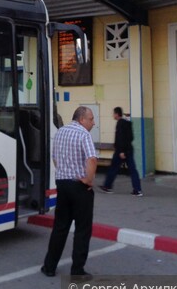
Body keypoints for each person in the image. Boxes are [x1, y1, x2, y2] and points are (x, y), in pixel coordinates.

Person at [41, 106, 97, 278]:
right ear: (81, 119)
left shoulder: (60, 132)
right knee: (82, 229)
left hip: (63, 185)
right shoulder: (83, 134)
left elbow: (55, 158)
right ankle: (77, 270)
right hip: (79, 186)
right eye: (91, 119)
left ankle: (49, 267)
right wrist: (88, 180)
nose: (93, 123)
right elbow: (92, 159)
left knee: (60, 227)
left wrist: (64, 172)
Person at [100, 107, 142, 196]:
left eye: (113, 113)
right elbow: (131, 137)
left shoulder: (120, 124)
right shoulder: (128, 124)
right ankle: (137, 190)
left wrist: (121, 151)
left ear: (116, 114)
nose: (113, 115)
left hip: (120, 151)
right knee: (133, 170)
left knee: (113, 168)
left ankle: (107, 186)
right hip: (129, 149)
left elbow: (120, 138)